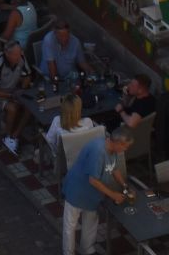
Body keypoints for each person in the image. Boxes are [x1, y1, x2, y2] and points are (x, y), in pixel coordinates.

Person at [60, 123, 133, 255]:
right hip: (77, 191)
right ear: (117, 143)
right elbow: (93, 180)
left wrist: (124, 185)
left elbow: (113, 167)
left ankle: (87, 250)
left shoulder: (112, 149)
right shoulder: (98, 151)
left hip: (92, 194)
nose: (126, 150)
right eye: (125, 147)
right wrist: (113, 195)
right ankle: (68, 252)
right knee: (70, 226)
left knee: (91, 222)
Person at [0, 39, 34, 152]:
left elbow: (28, 76)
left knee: (30, 106)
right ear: (7, 54)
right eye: (16, 54)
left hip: (12, 91)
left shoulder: (21, 58)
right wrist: (10, 96)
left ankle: (14, 135)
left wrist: (23, 89)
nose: (19, 56)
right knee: (13, 108)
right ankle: (8, 136)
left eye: (20, 52)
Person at [38, 15, 84, 82]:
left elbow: (82, 62)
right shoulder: (49, 40)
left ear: (69, 33)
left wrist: (92, 73)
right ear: (55, 33)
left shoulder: (75, 41)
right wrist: (57, 83)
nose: (64, 39)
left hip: (70, 78)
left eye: (66, 35)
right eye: (60, 36)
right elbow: (52, 67)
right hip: (51, 78)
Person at [45, 93, 86, 165]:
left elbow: (49, 141)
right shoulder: (88, 122)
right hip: (83, 158)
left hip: (63, 162)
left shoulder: (57, 120)